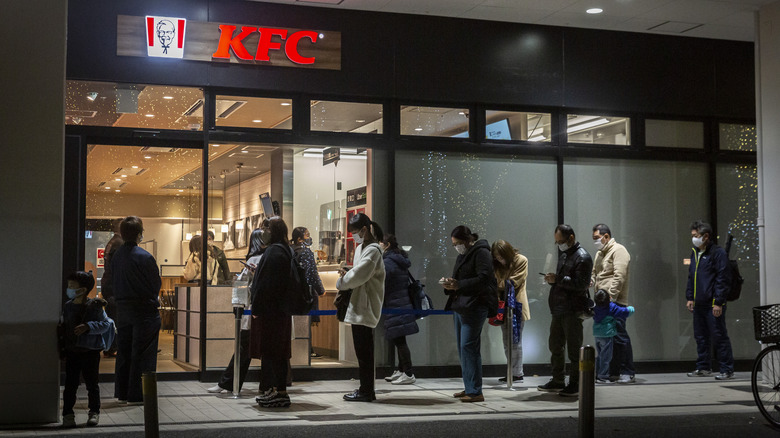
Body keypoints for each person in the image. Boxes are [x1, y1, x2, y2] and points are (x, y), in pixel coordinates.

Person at [208, 231, 268, 395]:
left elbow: (242, 286)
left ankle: (228, 383)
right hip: (267, 313)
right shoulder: (270, 256)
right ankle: (271, 386)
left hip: (253, 313)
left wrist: (237, 304)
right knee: (263, 351)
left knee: (244, 349)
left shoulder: (255, 259)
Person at [111, 216, 162, 405]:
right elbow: (154, 284)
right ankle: (138, 393)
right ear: (140, 233)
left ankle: (122, 392)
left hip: (123, 309)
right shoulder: (144, 256)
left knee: (124, 351)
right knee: (143, 353)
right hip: (144, 311)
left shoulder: (117, 255)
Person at [442, 225, 496, 403]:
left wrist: (460, 285)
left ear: (467, 240)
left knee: (469, 347)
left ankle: (475, 390)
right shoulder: (463, 255)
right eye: (454, 244)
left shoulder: (482, 253)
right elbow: (462, 279)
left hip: (474, 306)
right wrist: (451, 284)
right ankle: (469, 387)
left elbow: (484, 278)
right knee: (463, 348)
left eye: (458, 243)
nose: (456, 246)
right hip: (461, 305)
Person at [538, 224, 593, 397]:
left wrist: (558, 279)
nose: (559, 244)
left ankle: (576, 383)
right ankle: (558, 379)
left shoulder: (582, 257)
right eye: (557, 242)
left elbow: (581, 284)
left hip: (572, 308)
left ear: (571, 237)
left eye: (561, 241)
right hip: (559, 308)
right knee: (555, 345)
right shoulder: (565, 255)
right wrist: (554, 280)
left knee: (574, 350)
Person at [336, 213, 386, 402]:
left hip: (365, 307)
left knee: (364, 353)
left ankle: (366, 391)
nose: (354, 236)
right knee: (363, 352)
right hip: (360, 305)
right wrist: (349, 273)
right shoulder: (362, 248)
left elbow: (360, 275)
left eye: (356, 232)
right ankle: (365, 389)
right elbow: (358, 273)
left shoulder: (373, 250)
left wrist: (342, 281)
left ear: (365, 230)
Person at [250, 217, 295, 408]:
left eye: (265, 227)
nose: (262, 231)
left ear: (274, 230)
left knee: (273, 351)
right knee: (277, 351)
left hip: (272, 311)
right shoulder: (284, 250)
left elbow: (266, 284)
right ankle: (276, 390)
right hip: (280, 310)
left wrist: (257, 307)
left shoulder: (274, 252)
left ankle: (280, 392)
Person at [60, 271, 113, 428]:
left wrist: (88, 327)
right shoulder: (67, 306)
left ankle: (94, 412)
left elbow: (106, 324)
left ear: (82, 290)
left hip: (90, 352)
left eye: (71, 286)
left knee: (92, 384)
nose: (68, 289)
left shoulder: (95, 307)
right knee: (71, 384)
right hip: (72, 351)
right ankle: (68, 415)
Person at [686, 220, 735, 380]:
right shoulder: (695, 253)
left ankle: (727, 369)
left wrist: (718, 302)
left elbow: (723, 278)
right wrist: (690, 297)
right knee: (700, 336)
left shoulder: (717, 253)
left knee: (719, 335)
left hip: (713, 303)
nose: (693, 239)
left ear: (706, 236)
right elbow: (691, 276)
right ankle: (703, 367)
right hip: (699, 302)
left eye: (696, 236)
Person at [590, 223, 634, 383]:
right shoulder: (600, 253)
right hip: (602, 303)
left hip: (615, 303)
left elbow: (619, 277)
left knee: (620, 336)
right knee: (609, 339)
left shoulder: (619, 251)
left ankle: (627, 371)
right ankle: (612, 372)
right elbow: (595, 272)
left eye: (597, 238)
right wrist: (592, 280)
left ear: (606, 236)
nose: (595, 241)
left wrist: (611, 299)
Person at [380, 234, 419, 385]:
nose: (380, 246)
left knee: (399, 340)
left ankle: (408, 373)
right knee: (398, 337)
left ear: (387, 245)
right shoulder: (398, 259)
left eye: (381, 244)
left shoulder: (389, 261)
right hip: (401, 301)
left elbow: (384, 280)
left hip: (395, 303)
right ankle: (402, 370)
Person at [491, 239, 530, 383]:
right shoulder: (496, 265)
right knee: (506, 341)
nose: (499, 259)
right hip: (502, 306)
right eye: (496, 257)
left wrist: (496, 284)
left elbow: (512, 283)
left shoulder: (521, 260)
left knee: (515, 340)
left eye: (500, 256)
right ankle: (511, 371)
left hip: (516, 305)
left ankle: (517, 372)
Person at [291, 227, 325, 358]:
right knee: (306, 322)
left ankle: (303, 350)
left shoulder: (289, 250)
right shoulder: (306, 252)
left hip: (292, 292)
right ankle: (307, 350)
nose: (309, 238)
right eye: (307, 235)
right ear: (299, 239)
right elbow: (311, 274)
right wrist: (320, 290)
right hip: (305, 292)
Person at [592, 289, 634, 384]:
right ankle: (603, 376)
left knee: (600, 355)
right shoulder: (611, 307)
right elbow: (624, 312)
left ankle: (598, 374)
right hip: (607, 335)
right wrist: (631, 308)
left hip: (597, 335)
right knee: (606, 357)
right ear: (609, 299)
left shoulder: (595, 307)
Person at [100, 219, 123, 357]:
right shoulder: (119, 244)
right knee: (115, 318)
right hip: (114, 286)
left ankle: (110, 346)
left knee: (111, 317)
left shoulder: (111, 242)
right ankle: (112, 347)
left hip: (108, 284)